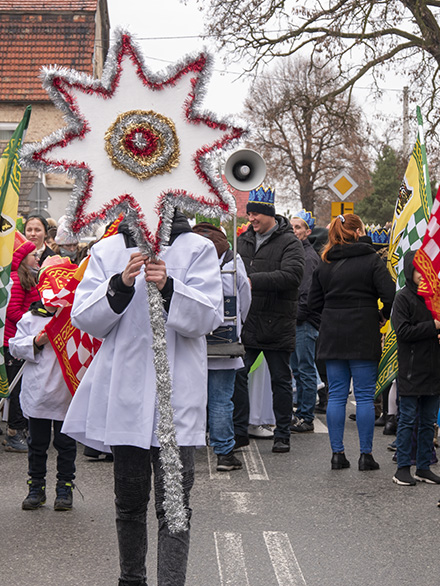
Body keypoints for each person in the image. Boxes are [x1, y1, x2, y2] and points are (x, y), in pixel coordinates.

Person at [62, 210, 222, 586]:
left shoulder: (197, 248)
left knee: (175, 507)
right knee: (129, 502)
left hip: (176, 396)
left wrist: (170, 287)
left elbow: (208, 317)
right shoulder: (108, 249)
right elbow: (85, 317)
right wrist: (118, 286)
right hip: (126, 397)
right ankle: (130, 579)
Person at [308, 213, 394, 471]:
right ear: (358, 232)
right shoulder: (371, 260)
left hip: (332, 333)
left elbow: (313, 305)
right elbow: (390, 295)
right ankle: (366, 456)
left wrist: (327, 321)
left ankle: (337, 455)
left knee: (336, 395)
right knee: (365, 396)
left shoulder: (324, 262)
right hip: (363, 330)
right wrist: (380, 316)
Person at [233, 186, 304, 454]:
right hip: (249, 322)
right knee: (238, 376)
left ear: (269, 215)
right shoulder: (243, 240)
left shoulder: (290, 243)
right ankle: (239, 432)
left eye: (255, 214)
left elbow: (292, 276)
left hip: (277, 323)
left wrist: (252, 281)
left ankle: (282, 434)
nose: (251, 219)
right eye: (249, 213)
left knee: (281, 382)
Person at [10, 259, 79, 511]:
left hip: (65, 393)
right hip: (38, 393)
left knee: (65, 444)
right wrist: (36, 342)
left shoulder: (75, 319)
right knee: (37, 444)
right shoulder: (30, 318)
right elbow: (15, 346)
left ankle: (65, 487)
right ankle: (36, 487)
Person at [193, 222, 251, 472]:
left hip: (191, 339)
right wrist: (238, 326)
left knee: (187, 397)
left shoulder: (187, 256)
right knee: (221, 400)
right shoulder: (233, 261)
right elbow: (245, 296)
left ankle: (183, 447)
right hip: (225, 340)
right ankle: (224, 453)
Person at [391, 251, 440, 486]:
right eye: (417, 269)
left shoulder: (437, 297)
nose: (422, 274)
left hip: (433, 368)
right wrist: (432, 326)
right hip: (411, 369)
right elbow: (403, 332)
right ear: (409, 270)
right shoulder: (403, 298)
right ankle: (403, 467)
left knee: (428, 422)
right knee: (407, 419)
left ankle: (423, 467)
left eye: (426, 269)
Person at [2, 233, 40, 452]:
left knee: (22, 387)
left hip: (21, 338)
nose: (36, 258)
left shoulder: (26, 276)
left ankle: (20, 429)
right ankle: (14, 432)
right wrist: (33, 318)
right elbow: (12, 310)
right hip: (13, 340)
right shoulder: (17, 280)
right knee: (16, 389)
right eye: (32, 255)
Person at [289, 210, 321, 434]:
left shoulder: (308, 257)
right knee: (298, 370)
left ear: (307, 231)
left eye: (298, 227)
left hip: (304, 322)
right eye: (292, 227)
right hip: (296, 320)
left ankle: (306, 415)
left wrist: (297, 316)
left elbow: (307, 294)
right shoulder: (296, 252)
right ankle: (301, 410)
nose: (294, 231)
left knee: (305, 369)